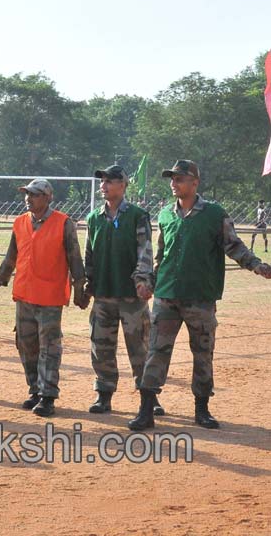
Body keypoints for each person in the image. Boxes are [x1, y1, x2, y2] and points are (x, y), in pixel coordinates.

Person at [128, 160, 271, 430]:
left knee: (202, 352)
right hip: (167, 296)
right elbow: (161, 256)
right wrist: (148, 281)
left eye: (179, 178)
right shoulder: (166, 214)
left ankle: (202, 409)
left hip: (200, 297)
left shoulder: (214, 214)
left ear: (195, 182)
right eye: (172, 179)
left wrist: (256, 265)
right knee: (156, 352)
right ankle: (146, 410)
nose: (174, 183)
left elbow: (234, 245)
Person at [0, 179, 87, 417]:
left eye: (35, 195)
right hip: (24, 295)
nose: (28, 198)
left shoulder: (64, 223)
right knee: (26, 344)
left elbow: (75, 259)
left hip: (50, 297)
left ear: (48, 198)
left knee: (49, 348)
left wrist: (80, 288)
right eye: (26, 194)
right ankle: (35, 389)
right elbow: (11, 258)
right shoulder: (20, 223)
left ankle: (48, 396)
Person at [82, 165, 163, 415]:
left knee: (140, 348)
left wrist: (142, 281)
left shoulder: (137, 215)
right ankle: (104, 395)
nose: (103, 185)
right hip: (104, 294)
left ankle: (149, 397)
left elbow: (145, 252)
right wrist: (87, 284)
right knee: (101, 347)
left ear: (123, 184)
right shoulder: (95, 217)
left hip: (131, 296)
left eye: (109, 181)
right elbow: (90, 255)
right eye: (102, 181)